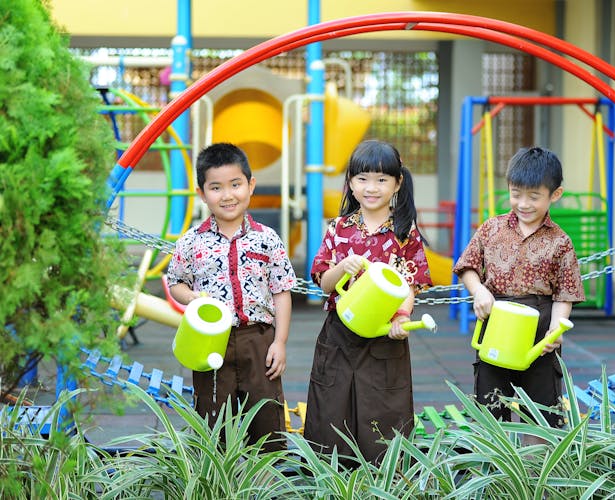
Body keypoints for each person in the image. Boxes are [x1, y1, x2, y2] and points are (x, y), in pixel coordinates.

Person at [303, 140, 432, 464]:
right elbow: (322, 281)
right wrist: (340, 269)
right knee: (331, 403)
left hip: (384, 333)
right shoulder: (339, 228)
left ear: (397, 183)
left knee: (384, 407)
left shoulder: (405, 233)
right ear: (350, 182)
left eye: (381, 180)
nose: (370, 188)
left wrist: (402, 318)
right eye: (361, 179)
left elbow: (409, 284)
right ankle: (329, 477)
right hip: (339, 333)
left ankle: (386, 476)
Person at [166, 142, 296, 452]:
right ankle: (216, 480)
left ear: (250, 185)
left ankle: (266, 481)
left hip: (258, 339)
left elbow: (282, 291)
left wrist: (279, 342)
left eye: (235, 184)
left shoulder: (268, 238)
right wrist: (192, 297)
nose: (227, 195)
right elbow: (175, 283)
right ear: (202, 193)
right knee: (212, 418)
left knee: (266, 418)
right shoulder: (191, 241)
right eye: (216, 187)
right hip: (210, 341)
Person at [453, 146, 585, 429]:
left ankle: (537, 464)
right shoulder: (491, 228)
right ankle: (495, 464)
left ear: (555, 195)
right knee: (490, 403)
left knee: (541, 411)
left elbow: (565, 292)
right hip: (497, 321)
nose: (523, 203)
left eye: (534, 196)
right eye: (516, 194)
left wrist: (557, 328)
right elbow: (467, 266)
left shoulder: (560, 242)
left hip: (540, 329)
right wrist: (479, 291)